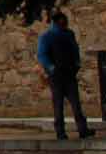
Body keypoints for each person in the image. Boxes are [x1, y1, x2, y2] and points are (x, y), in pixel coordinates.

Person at [35, 9, 92, 140]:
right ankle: (61, 132)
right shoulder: (47, 36)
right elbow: (42, 55)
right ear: (57, 22)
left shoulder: (69, 34)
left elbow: (75, 50)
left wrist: (76, 64)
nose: (64, 24)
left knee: (75, 104)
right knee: (58, 104)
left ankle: (82, 129)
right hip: (57, 75)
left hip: (69, 72)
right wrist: (51, 68)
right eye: (62, 22)